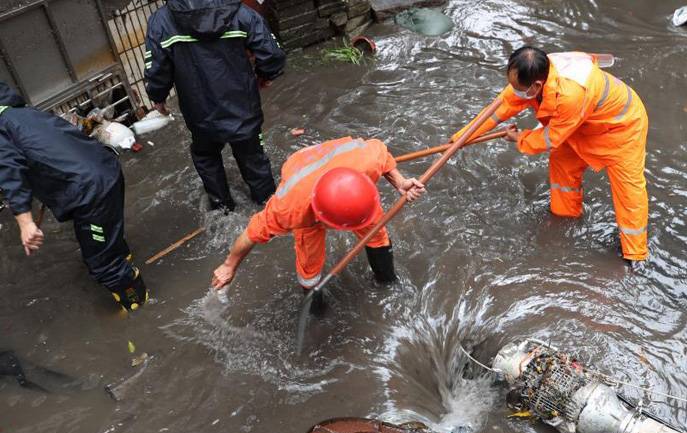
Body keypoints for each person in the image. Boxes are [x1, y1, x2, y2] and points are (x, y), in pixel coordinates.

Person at [454, 46, 650, 263]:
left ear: (537, 86)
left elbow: (551, 138)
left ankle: (635, 255)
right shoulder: (533, 73)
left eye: (518, 87)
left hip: (620, 127)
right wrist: (461, 138)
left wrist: (519, 138)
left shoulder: (571, 94)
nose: (513, 90)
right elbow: (499, 109)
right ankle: (565, 218)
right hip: (579, 124)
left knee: (628, 189)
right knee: (562, 166)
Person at [211, 137, 425, 309]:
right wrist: (229, 266)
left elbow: (382, 153)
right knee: (309, 268)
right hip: (303, 170)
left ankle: (387, 280)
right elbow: (250, 233)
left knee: (377, 233)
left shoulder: (366, 161)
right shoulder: (289, 209)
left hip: (343, 169)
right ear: (325, 221)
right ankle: (317, 310)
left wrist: (401, 182)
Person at [0, 81, 147, 311]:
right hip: (106, 169)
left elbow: (10, 172)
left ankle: (137, 305)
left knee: (102, 264)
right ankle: (123, 261)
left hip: (91, 192)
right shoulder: (21, 113)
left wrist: (26, 222)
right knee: (106, 240)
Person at [144, 0, 286, 211]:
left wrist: (158, 97)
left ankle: (222, 208)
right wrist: (266, 76)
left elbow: (156, 68)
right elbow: (272, 54)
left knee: (206, 157)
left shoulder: (161, 20)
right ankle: (270, 210)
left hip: (198, 113)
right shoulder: (240, 12)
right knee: (253, 158)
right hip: (243, 109)